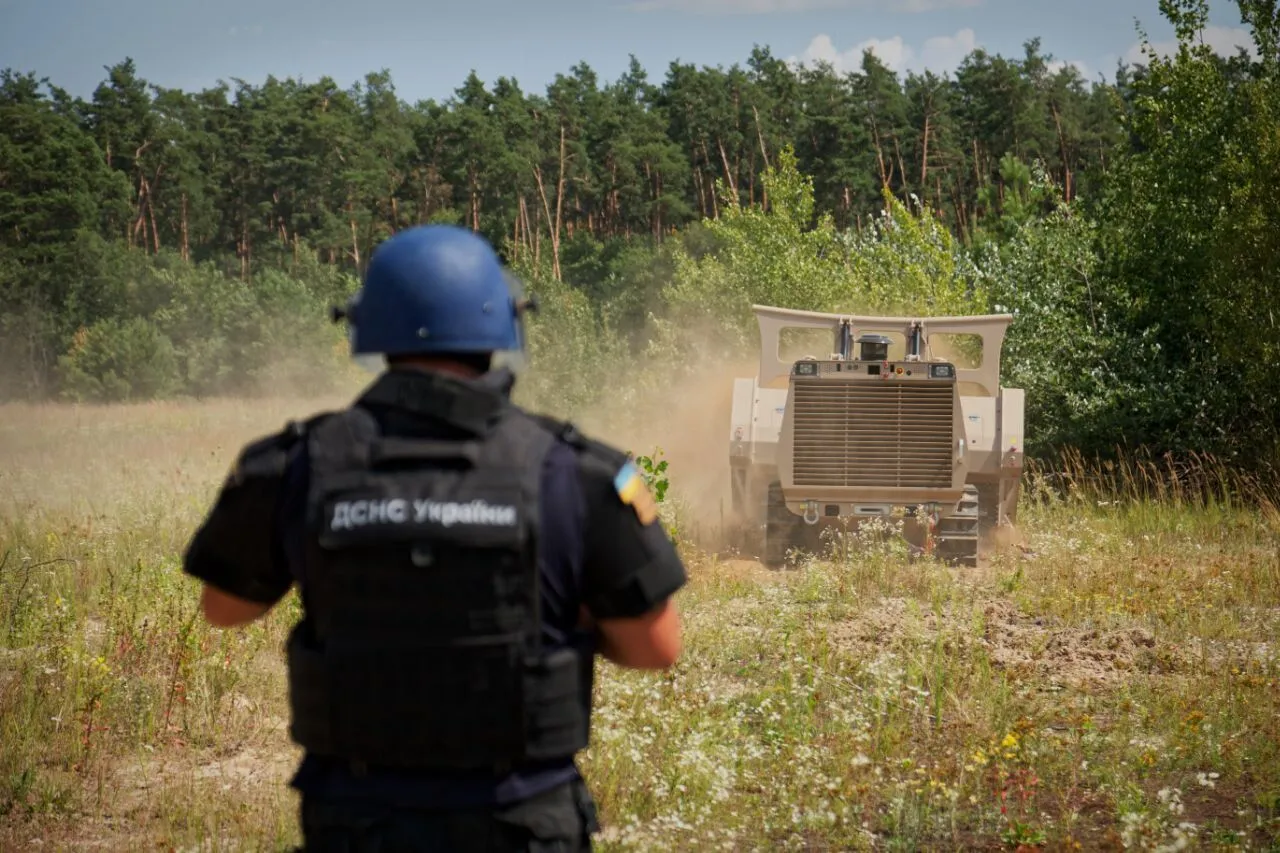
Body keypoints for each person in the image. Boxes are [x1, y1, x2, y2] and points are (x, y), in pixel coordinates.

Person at [180, 224, 687, 852]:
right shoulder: (576, 473)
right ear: (504, 325)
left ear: (368, 328)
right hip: (520, 820)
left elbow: (224, 609)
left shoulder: (295, 465)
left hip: (357, 820)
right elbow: (656, 647)